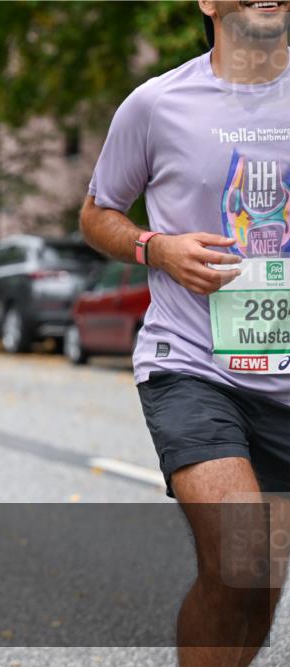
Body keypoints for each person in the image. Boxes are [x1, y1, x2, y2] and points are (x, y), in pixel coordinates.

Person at [80, 3, 289, 665]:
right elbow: (97, 213)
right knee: (240, 550)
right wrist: (158, 248)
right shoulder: (157, 103)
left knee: (261, 579)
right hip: (194, 362)